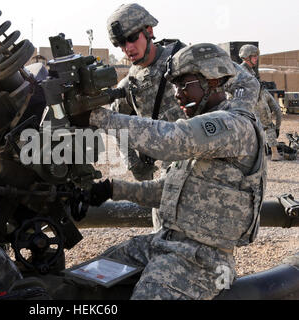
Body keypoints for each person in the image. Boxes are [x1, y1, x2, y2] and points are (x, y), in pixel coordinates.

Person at [72, 43, 267, 300]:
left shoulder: (234, 125)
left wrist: (98, 117)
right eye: (174, 86)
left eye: (184, 85)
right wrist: (111, 189)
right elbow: (167, 192)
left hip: (202, 261)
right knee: (81, 281)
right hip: (163, 244)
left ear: (213, 80)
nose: (177, 94)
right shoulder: (204, 131)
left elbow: (170, 140)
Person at [106, 3, 261, 231]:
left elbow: (247, 83)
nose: (127, 48)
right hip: (171, 177)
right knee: (163, 238)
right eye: (120, 43)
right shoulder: (130, 84)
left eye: (131, 38)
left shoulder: (187, 59)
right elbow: (119, 122)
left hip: (208, 172)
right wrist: (136, 164)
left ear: (149, 31)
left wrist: (233, 124)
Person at [239, 44, 283, 161]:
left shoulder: (247, 70)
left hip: (255, 101)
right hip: (255, 103)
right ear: (247, 57)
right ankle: (274, 153)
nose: (256, 58)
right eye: (254, 56)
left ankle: (262, 153)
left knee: (259, 128)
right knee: (267, 126)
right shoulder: (242, 71)